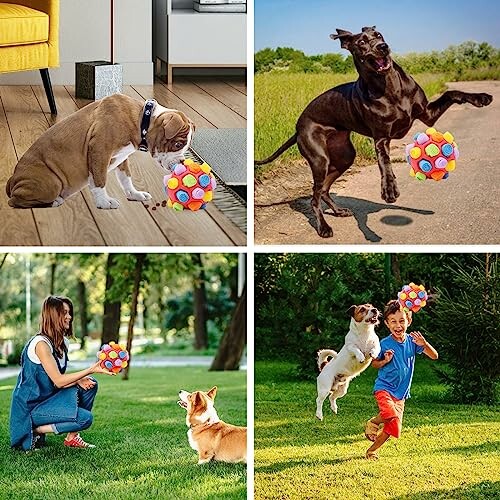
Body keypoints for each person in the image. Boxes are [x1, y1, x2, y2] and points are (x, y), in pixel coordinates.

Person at [10, 295, 114, 451]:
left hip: (48, 400)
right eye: (64, 313)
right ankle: (33, 429)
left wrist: (80, 379)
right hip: (30, 408)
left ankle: (72, 438)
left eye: (69, 312)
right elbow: (58, 381)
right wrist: (92, 368)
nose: (69, 317)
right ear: (52, 315)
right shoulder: (41, 345)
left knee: (90, 384)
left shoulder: (62, 342)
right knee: (85, 419)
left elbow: (55, 381)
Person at [364, 299, 438, 459]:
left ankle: (372, 447)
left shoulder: (413, 341)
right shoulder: (383, 344)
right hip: (384, 388)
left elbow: (434, 356)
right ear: (387, 324)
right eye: (393, 322)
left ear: (409, 321)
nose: (398, 325)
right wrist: (385, 361)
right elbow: (374, 364)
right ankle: (374, 431)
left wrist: (424, 344)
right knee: (390, 415)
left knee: (393, 427)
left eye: (402, 321)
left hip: (401, 393)